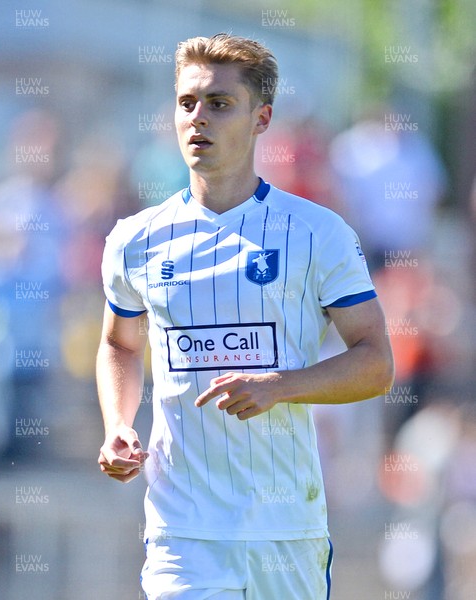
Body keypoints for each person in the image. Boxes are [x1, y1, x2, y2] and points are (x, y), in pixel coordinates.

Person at [97, 33, 394, 599]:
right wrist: (118, 425)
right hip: (182, 532)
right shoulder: (134, 240)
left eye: (219, 104)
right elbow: (121, 344)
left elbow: (376, 364)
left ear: (262, 119)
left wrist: (280, 386)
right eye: (186, 103)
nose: (197, 119)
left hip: (286, 532)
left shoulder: (317, 233)